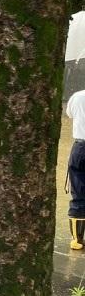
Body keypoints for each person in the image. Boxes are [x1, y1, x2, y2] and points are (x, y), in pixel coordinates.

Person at [66, 89, 85, 249]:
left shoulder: (77, 96)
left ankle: (77, 241)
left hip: (80, 147)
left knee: (78, 193)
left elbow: (70, 114)